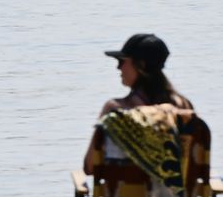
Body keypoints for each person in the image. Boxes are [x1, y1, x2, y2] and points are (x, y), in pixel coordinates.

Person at [83, 33, 193, 174]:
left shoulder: (115, 110)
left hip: (123, 195)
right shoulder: (184, 107)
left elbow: (90, 166)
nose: (118, 68)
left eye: (121, 61)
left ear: (140, 65)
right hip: (176, 195)